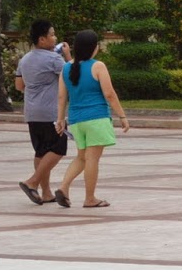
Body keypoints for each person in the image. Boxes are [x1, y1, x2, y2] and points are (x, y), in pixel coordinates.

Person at [53, 30, 129, 208]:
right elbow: (109, 94)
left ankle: (63, 187)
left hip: (76, 120)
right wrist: (122, 116)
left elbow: (61, 98)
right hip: (96, 118)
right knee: (92, 159)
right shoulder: (98, 66)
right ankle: (89, 198)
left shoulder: (66, 68)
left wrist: (60, 119)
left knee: (81, 157)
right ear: (95, 48)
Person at [15, 20, 71, 205]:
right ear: (42, 39)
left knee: (41, 151)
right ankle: (32, 182)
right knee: (58, 148)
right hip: (50, 112)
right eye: (52, 34)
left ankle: (46, 192)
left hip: (31, 112)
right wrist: (68, 56)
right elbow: (71, 78)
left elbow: (19, 86)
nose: (55, 38)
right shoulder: (54, 59)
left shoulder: (24, 59)